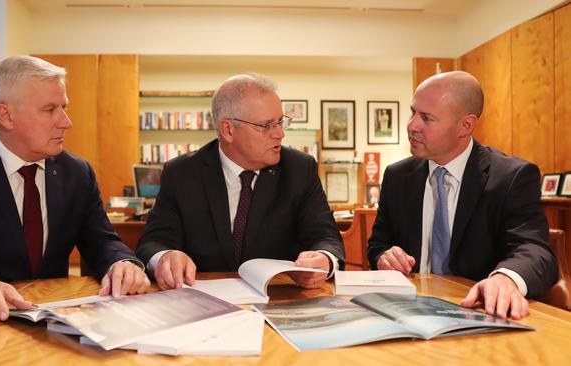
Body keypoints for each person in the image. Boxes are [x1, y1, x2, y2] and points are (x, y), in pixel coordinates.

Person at [0, 55, 150, 322]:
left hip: (56, 325)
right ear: (5, 116)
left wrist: (122, 263)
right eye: (50, 109)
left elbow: (102, 242)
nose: (66, 121)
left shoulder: (77, 173)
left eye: (63, 107)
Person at [367, 71, 558, 320]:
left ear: (465, 125)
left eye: (426, 118)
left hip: (476, 313)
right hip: (407, 313)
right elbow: (378, 244)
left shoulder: (511, 177)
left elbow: (534, 250)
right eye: (413, 112)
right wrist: (385, 256)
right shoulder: (397, 176)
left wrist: (505, 279)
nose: (412, 125)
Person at [136, 74, 344, 290]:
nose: (280, 133)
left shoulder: (299, 169)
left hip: (279, 297)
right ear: (228, 130)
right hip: (204, 301)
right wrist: (165, 257)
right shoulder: (182, 173)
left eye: (280, 122)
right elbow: (153, 242)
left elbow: (326, 237)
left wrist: (324, 259)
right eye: (267, 125)